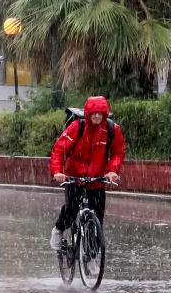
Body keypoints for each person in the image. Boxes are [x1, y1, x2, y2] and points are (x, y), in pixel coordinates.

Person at [49, 96, 126, 250]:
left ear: (105, 114)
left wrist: (112, 170)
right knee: (71, 209)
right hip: (75, 177)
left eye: (100, 113)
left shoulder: (111, 129)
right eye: (94, 113)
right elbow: (59, 149)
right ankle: (58, 230)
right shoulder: (77, 127)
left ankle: (92, 255)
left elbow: (118, 151)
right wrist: (57, 171)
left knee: (97, 219)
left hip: (97, 180)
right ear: (88, 113)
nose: (97, 116)